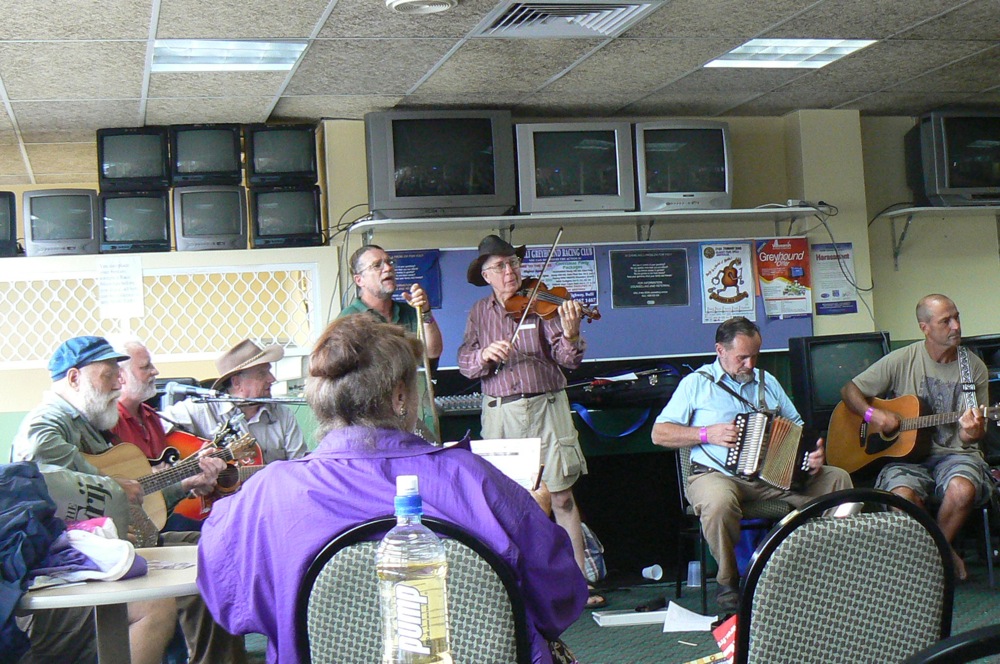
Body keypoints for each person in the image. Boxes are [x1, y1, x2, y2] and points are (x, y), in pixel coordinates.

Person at [196, 315, 586, 663]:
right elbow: (561, 601)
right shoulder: (478, 481)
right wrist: (533, 516)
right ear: (400, 395)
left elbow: (229, 605)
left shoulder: (266, 494)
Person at [10, 335, 245, 664]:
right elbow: (40, 461)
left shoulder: (91, 423)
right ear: (75, 378)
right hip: (75, 568)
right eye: (108, 374)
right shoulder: (48, 421)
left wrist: (182, 484)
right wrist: (111, 486)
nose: (118, 382)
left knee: (219, 549)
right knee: (173, 591)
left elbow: (134, 496)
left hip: (121, 547)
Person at [651, 317, 852, 612]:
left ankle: (831, 568)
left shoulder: (767, 381)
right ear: (720, 350)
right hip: (716, 475)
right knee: (718, 503)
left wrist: (812, 454)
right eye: (742, 357)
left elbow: (797, 427)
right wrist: (707, 434)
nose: (750, 364)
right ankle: (728, 581)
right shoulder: (696, 384)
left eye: (755, 356)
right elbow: (659, 434)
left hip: (772, 478)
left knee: (838, 480)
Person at [456, 234, 600, 607]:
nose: (510, 272)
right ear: (486, 275)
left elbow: (567, 359)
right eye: (500, 266)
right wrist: (485, 355)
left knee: (562, 497)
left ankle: (578, 584)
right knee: (508, 502)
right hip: (501, 412)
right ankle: (518, 586)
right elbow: (466, 362)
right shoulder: (479, 313)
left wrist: (571, 334)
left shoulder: (541, 303)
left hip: (546, 407)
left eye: (514, 263)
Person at [840, 294, 990, 581]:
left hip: (956, 455)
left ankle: (932, 556)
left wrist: (972, 431)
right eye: (946, 321)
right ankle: (944, 554)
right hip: (905, 458)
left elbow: (973, 435)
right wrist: (873, 416)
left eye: (957, 317)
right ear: (925, 328)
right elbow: (849, 391)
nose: (956, 326)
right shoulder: (903, 359)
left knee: (963, 489)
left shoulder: (973, 368)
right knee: (901, 496)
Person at [339, 244, 442, 440]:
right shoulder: (348, 320)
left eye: (389, 262)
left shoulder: (410, 311)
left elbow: (432, 352)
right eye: (377, 265)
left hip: (413, 412)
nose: (388, 268)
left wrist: (425, 313)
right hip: (369, 420)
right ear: (359, 280)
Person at [162, 339, 308, 464]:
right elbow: (157, 427)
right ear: (237, 382)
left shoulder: (282, 415)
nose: (272, 379)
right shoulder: (203, 409)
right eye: (262, 373)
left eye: (269, 371)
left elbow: (299, 464)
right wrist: (193, 461)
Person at [110, 337, 219, 504]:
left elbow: (165, 480)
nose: (155, 371)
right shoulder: (110, 422)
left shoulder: (151, 416)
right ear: (120, 376)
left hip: (162, 510)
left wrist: (192, 481)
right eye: (145, 367)